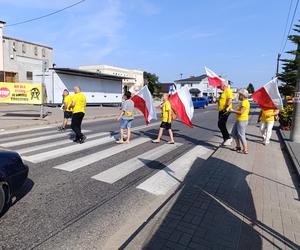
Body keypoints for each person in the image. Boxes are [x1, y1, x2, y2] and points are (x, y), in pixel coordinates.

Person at [230, 89, 250, 154]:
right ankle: (238, 147)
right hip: (238, 120)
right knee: (233, 133)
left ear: (243, 95)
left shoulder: (245, 102)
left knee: (241, 135)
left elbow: (241, 112)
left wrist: (232, 111)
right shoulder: (243, 102)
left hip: (242, 120)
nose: (239, 96)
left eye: (240, 95)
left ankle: (245, 149)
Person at [218, 81, 233, 145]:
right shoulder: (224, 92)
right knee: (221, 124)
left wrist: (225, 108)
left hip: (225, 111)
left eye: (220, 86)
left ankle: (228, 138)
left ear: (224, 85)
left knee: (221, 124)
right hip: (221, 111)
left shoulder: (228, 91)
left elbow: (229, 100)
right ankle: (226, 139)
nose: (220, 87)